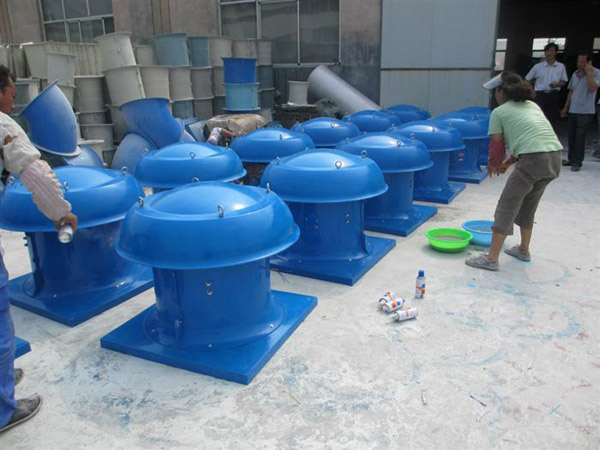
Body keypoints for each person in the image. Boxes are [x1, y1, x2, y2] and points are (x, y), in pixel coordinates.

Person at [0, 66, 78, 432]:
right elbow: (36, 175)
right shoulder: (3, 126)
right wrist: (61, 213)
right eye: (12, 93)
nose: (13, 101)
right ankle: (4, 409)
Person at [465, 71, 562, 271]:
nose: (495, 96)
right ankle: (523, 250)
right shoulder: (532, 106)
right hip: (554, 158)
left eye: (495, 92)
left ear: (502, 92)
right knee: (528, 205)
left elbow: (497, 145)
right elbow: (529, 141)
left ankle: (491, 258)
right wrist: (508, 163)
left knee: (506, 206)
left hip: (533, 160)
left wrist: (494, 164)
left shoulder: (499, 112)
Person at [560, 51, 600, 171]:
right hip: (573, 109)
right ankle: (571, 159)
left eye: (583, 62)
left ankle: (577, 162)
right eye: (578, 62)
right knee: (572, 136)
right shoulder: (575, 74)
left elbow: (592, 88)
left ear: (589, 62)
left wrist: (589, 73)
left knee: (580, 136)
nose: (580, 64)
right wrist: (566, 107)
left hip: (586, 111)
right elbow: (571, 91)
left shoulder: (596, 73)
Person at [525, 42, 568, 130]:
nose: (549, 53)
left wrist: (557, 84)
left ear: (556, 52)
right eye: (547, 51)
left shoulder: (560, 67)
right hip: (540, 95)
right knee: (538, 117)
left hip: (553, 95)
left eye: (551, 51)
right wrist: (532, 92)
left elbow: (564, 81)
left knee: (552, 118)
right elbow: (526, 80)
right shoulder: (537, 67)